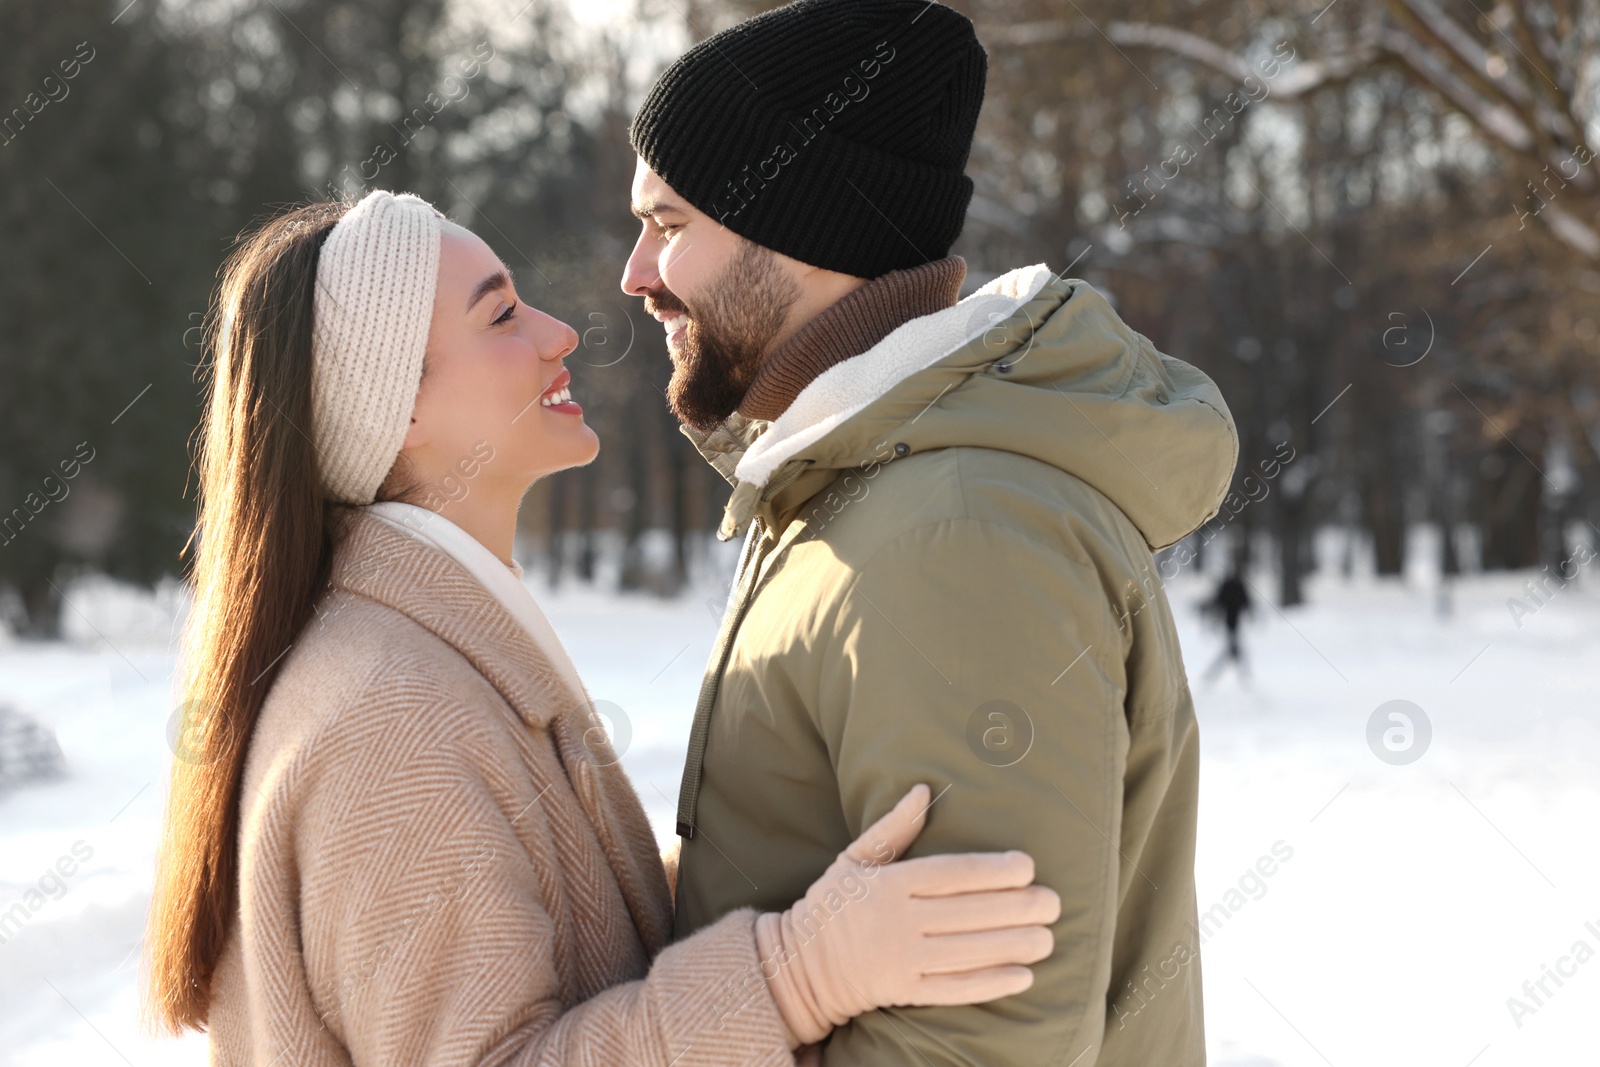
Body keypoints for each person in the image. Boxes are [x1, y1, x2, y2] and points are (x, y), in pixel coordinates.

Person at [143, 190, 1063, 1065]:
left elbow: (552, 931)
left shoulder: (426, 648)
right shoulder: (389, 718)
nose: (559, 333)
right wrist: (798, 972)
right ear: (399, 403)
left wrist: (782, 844)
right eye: (501, 317)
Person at [620, 0, 1240, 1062]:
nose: (636, 275)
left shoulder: (953, 533)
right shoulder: (861, 489)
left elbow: (979, 1039)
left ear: (798, 228)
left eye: (669, 225)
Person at [1201, 569, 1253, 685]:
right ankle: (1242, 674)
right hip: (1230, 622)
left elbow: (1219, 601)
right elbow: (1244, 602)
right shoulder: (1234, 586)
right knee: (1232, 650)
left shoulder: (1231, 586)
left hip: (1233, 622)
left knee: (1232, 650)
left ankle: (1213, 675)